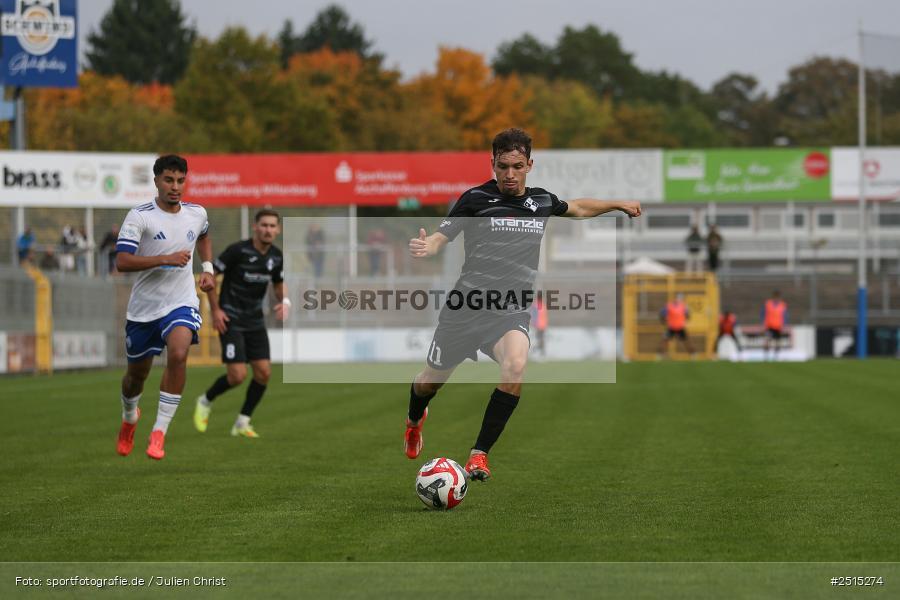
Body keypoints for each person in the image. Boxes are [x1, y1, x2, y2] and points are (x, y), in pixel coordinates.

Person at [404, 128, 641, 481]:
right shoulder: (474, 199)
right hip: (465, 310)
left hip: (510, 309)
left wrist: (616, 204)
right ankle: (413, 421)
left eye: (517, 166)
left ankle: (478, 455)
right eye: (503, 166)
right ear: (492, 164)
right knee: (428, 384)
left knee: (515, 365)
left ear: (529, 164)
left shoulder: (542, 201)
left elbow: (577, 207)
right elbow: (443, 235)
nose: (510, 174)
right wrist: (430, 246)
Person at [114, 155, 215, 461]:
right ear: (156, 181)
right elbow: (122, 261)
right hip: (144, 309)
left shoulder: (197, 213)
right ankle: (130, 417)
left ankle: (159, 432)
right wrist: (165, 258)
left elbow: (205, 235)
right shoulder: (139, 216)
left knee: (180, 353)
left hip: (181, 301)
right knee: (136, 377)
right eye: (169, 180)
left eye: (181, 181)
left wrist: (207, 267)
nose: (175, 187)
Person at [193, 209, 289, 438]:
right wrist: (215, 310)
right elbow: (210, 277)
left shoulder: (276, 256)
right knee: (237, 375)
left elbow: (278, 283)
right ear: (255, 227)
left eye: (272, 226)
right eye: (264, 225)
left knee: (264, 373)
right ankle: (205, 400)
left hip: (255, 320)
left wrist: (285, 300)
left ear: (278, 230)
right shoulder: (238, 251)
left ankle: (242, 422)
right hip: (231, 318)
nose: (268, 230)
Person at [762, 290, 788, 360]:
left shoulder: (782, 305)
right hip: (769, 326)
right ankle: (766, 356)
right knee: (767, 341)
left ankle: (776, 356)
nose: (776, 298)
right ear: (773, 297)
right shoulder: (768, 304)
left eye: (777, 297)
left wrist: (784, 324)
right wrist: (763, 323)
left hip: (778, 326)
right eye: (775, 297)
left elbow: (785, 315)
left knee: (777, 342)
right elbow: (763, 313)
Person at [530, 290, 548, 357]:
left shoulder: (541, 305)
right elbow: (534, 315)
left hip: (542, 325)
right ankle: (538, 353)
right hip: (538, 326)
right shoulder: (538, 305)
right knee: (540, 340)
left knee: (540, 340)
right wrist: (534, 323)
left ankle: (539, 353)